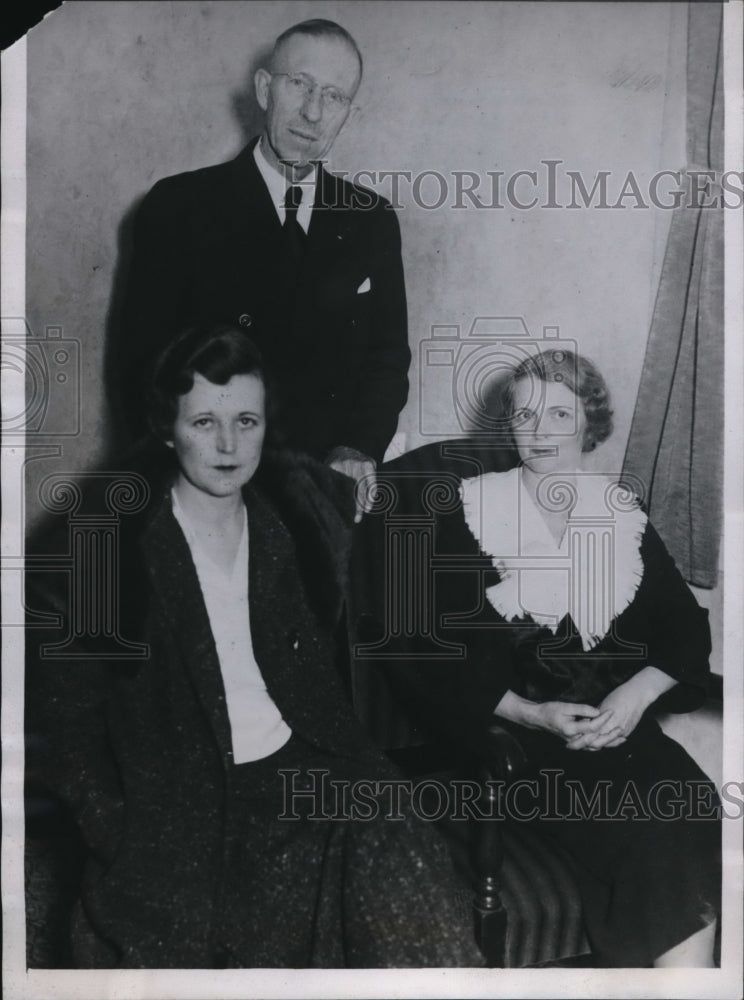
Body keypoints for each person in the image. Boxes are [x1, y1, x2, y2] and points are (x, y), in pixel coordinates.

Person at [25, 325, 481, 969]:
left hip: (299, 772)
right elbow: (69, 730)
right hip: (174, 801)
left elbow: (324, 678)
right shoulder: (108, 548)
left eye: (246, 419)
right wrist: (119, 832)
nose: (229, 444)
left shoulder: (291, 528)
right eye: (205, 422)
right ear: (165, 429)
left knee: (409, 871)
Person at [381, 348, 721, 967]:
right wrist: (531, 715)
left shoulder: (621, 517)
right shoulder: (465, 509)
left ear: (588, 426)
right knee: (650, 828)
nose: (539, 432)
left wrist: (636, 693)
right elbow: (424, 648)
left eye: (558, 415)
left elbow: (684, 631)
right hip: (511, 745)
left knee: (690, 801)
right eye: (525, 415)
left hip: (617, 733)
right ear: (508, 423)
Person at [118, 18, 410, 520]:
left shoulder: (372, 219)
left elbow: (386, 359)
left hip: (323, 492)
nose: (313, 112)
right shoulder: (179, 206)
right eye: (299, 84)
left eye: (334, 97)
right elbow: (141, 365)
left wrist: (358, 448)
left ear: (348, 114)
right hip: (207, 489)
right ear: (263, 88)